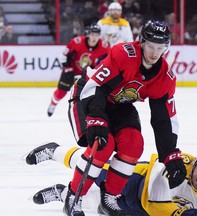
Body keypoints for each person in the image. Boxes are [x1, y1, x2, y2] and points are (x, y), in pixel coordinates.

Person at [27, 20, 186, 215]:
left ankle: (109, 197)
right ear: (142, 43)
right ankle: (73, 195)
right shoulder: (124, 54)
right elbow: (97, 87)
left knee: (133, 144)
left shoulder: (165, 77)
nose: (154, 53)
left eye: (159, 48)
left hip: (119, 105)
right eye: (150, 46)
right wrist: (96, 119)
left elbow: (164, 119)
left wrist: (170, 153)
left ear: (166, 48)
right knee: (102, 146)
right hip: (88, 96)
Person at [27, 145, 197, 216]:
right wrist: (179, 214)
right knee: (93, 166)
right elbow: (155, 203)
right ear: (195, 164)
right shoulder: (179, 165)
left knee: (97, 206)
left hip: (141, 210)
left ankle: (61, 193)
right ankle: (55, 151)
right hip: (138, 181)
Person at [47, 24, 110, 117]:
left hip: (88, 73)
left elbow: (109, 61)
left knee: (90, 95)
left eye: (97, 35)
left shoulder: (104, 46)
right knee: (61, 92)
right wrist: (67, 67)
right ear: (88, 34)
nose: (94, 37)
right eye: (92, 34)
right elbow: (64, 55)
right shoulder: (77, 41)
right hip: (71, 71)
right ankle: (53, 103)